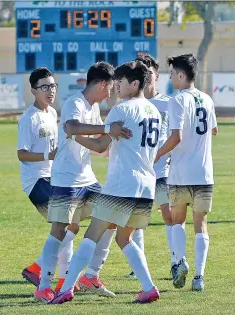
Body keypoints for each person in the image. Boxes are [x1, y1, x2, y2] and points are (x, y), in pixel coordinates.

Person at [50, 60, 161, 305]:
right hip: (146, 186)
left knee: (91, 236)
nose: (116, 86)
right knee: (124, 238)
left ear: (134, 84)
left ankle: (66, 289)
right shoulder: (154, 111)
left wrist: (74, 135)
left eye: (120, 81)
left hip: (122, 184)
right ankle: (149, 288)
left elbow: (101, 145)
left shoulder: (121, 110)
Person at [34, 62, 132, 303]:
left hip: (87, 178)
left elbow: (99, 146)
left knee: (111, 218)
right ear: (101, 84)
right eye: (110, 87)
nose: (111, 92)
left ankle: (91, 276)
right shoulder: (74, 103)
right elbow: (71, 126)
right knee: (59, 230)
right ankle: (43, 286)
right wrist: (108, 127)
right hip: (66, 178)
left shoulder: (95, 107)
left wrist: (114, 134)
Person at [155, 54, 218, 291]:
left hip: (181, 173)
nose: (171, 79)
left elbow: (176, 136)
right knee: (200, 224)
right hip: (204, 173)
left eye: (172, 74)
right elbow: (213, 130)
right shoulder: (207, 99)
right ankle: (199, 278)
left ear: (181, 75)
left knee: (177, 221)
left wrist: (159, 153)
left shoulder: (177, 100)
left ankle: (180, 262)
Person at [17, 67, 78, 293]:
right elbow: (21, 154)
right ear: (34, 90)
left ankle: (52, 275)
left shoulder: (52, 113)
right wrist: (47, 156)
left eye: (53, 86)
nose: (50, 91)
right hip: (36, 181)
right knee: (66, 224)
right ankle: (53, 276)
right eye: (45, 87)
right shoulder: (28, 118)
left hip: (52, 178)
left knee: (68, 225)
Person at [126, 54, 177, 281]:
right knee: (137, 221)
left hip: (163, 169)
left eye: (150, 70)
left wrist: (173, 154)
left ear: (156, 74)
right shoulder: (132, 105)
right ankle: (139, 265)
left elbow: (178, 135)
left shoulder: (168, 103)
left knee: (168, 213)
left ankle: (177, 261)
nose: (147, 75)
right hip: (139, 170)